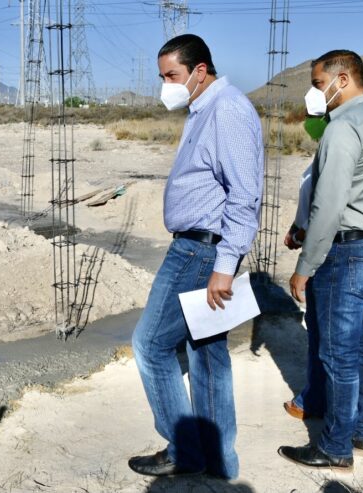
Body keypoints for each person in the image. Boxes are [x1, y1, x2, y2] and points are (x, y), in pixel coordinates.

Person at [128, 34, 263, 480]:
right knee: (206, 354)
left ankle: (184, 451)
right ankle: (217, 460)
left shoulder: (227, 111)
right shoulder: (206, 109)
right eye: (162, 76)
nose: (165, 85)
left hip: (200, 251)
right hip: (200, 247)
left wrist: (224, 267)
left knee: (150, 345)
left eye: (172, 76)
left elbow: (244, 196)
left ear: (199, 72)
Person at [279, 50, 363, 470]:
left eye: (317, 84)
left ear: (343, 79)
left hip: (346, 254)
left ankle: (334, 446)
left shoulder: (343, 127)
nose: (315, 94)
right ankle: (359, 428)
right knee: (361, 346)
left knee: (337, 355)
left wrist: (304, 267)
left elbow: (328, 206)